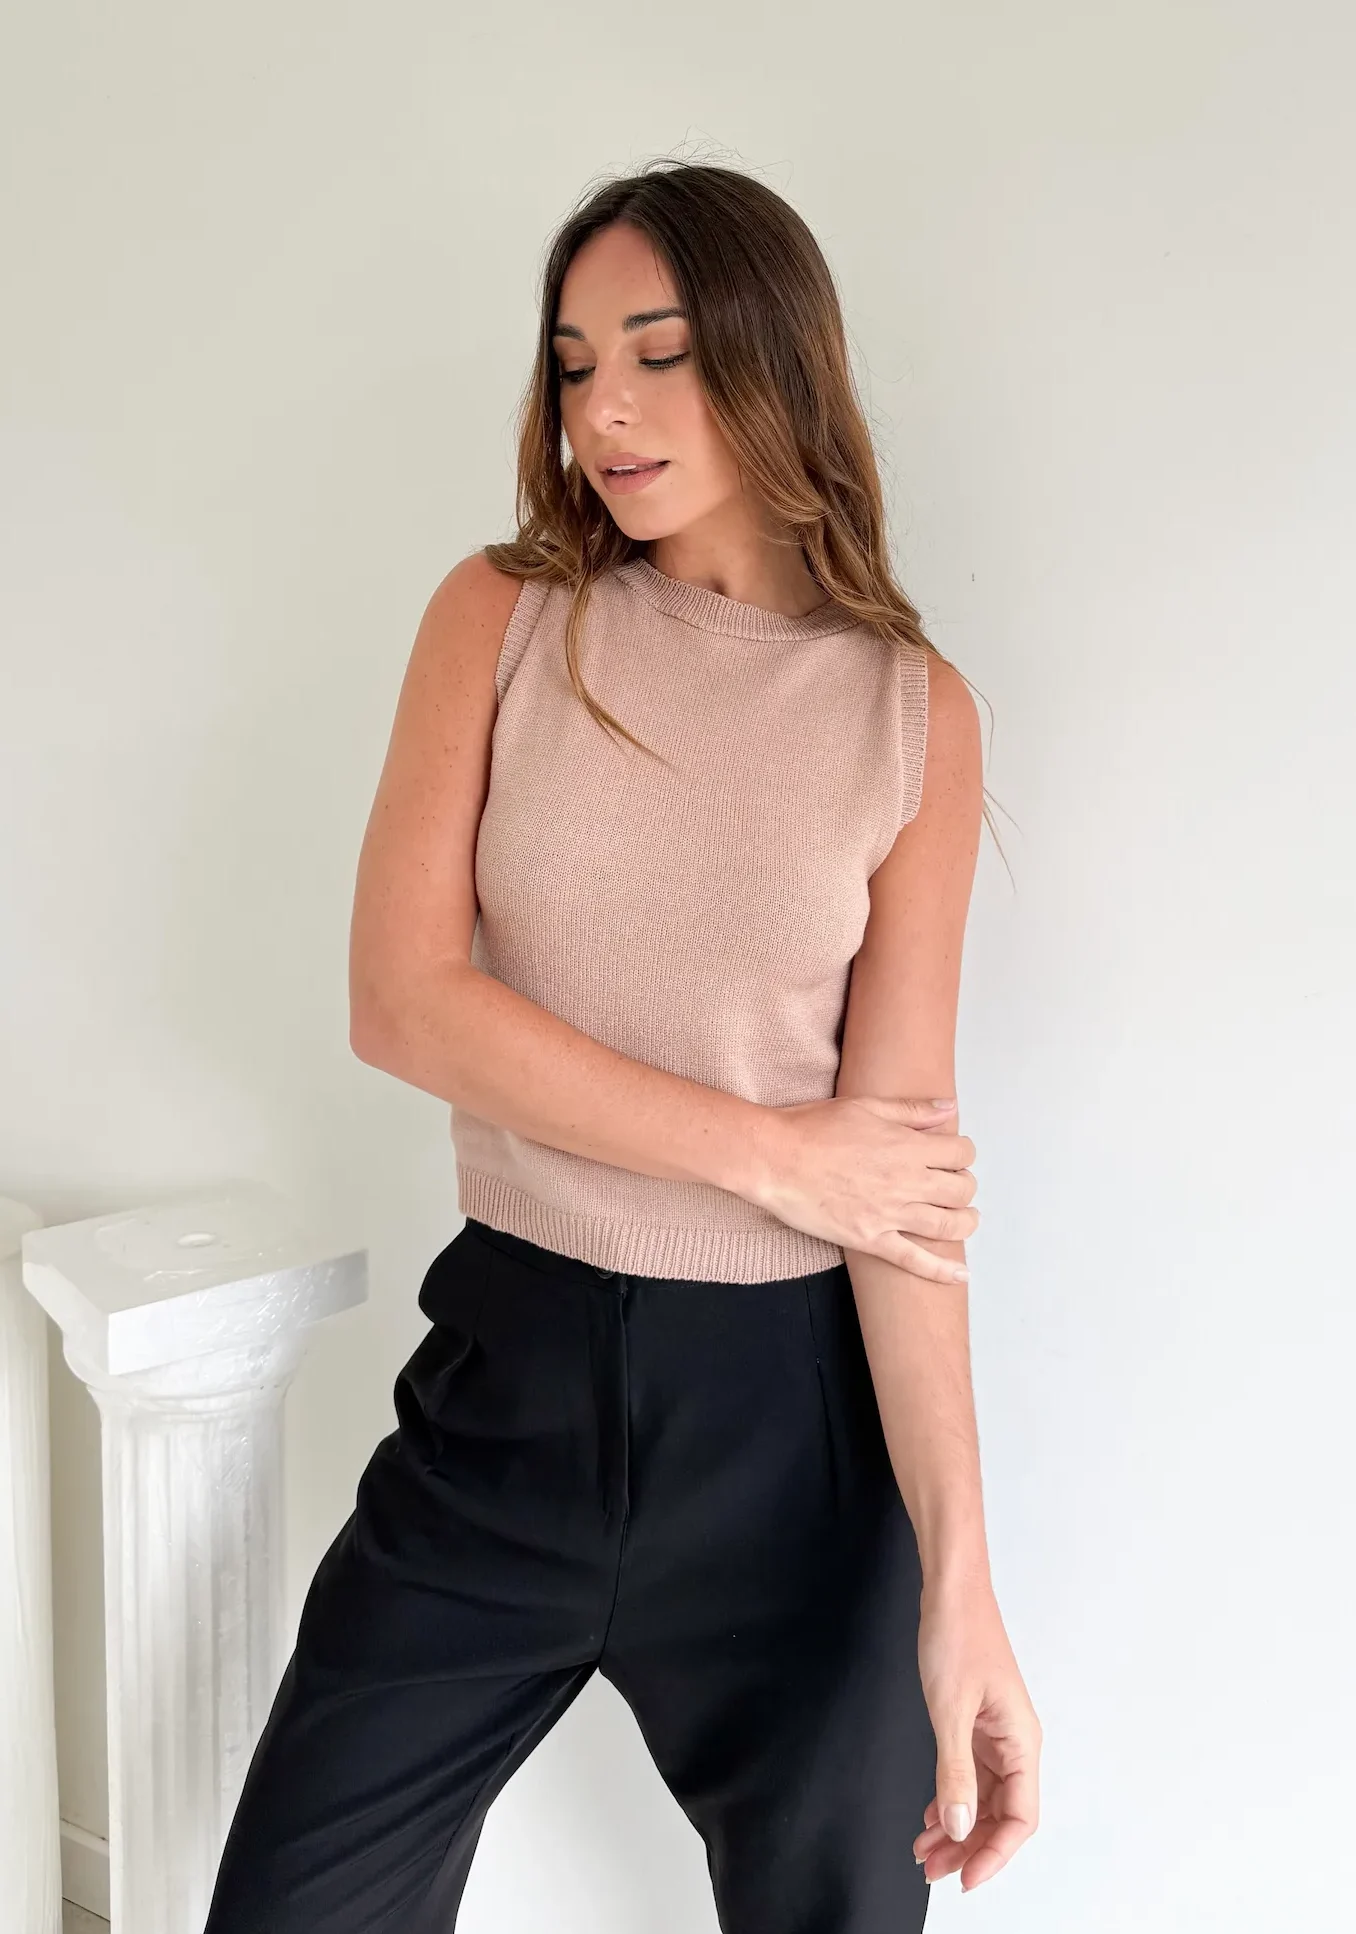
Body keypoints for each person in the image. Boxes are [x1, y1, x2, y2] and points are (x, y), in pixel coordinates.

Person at [202, 158, 1041, 1934]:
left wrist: (963, 1584)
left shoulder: (912, 715)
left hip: (795, 1441)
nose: (605, 410)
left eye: (658, 354)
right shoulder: (503, 617)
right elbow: (402, 997)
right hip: (511, 1385)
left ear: (772, 356)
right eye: (577, 364)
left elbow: (899, 1179)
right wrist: (771, 1149)